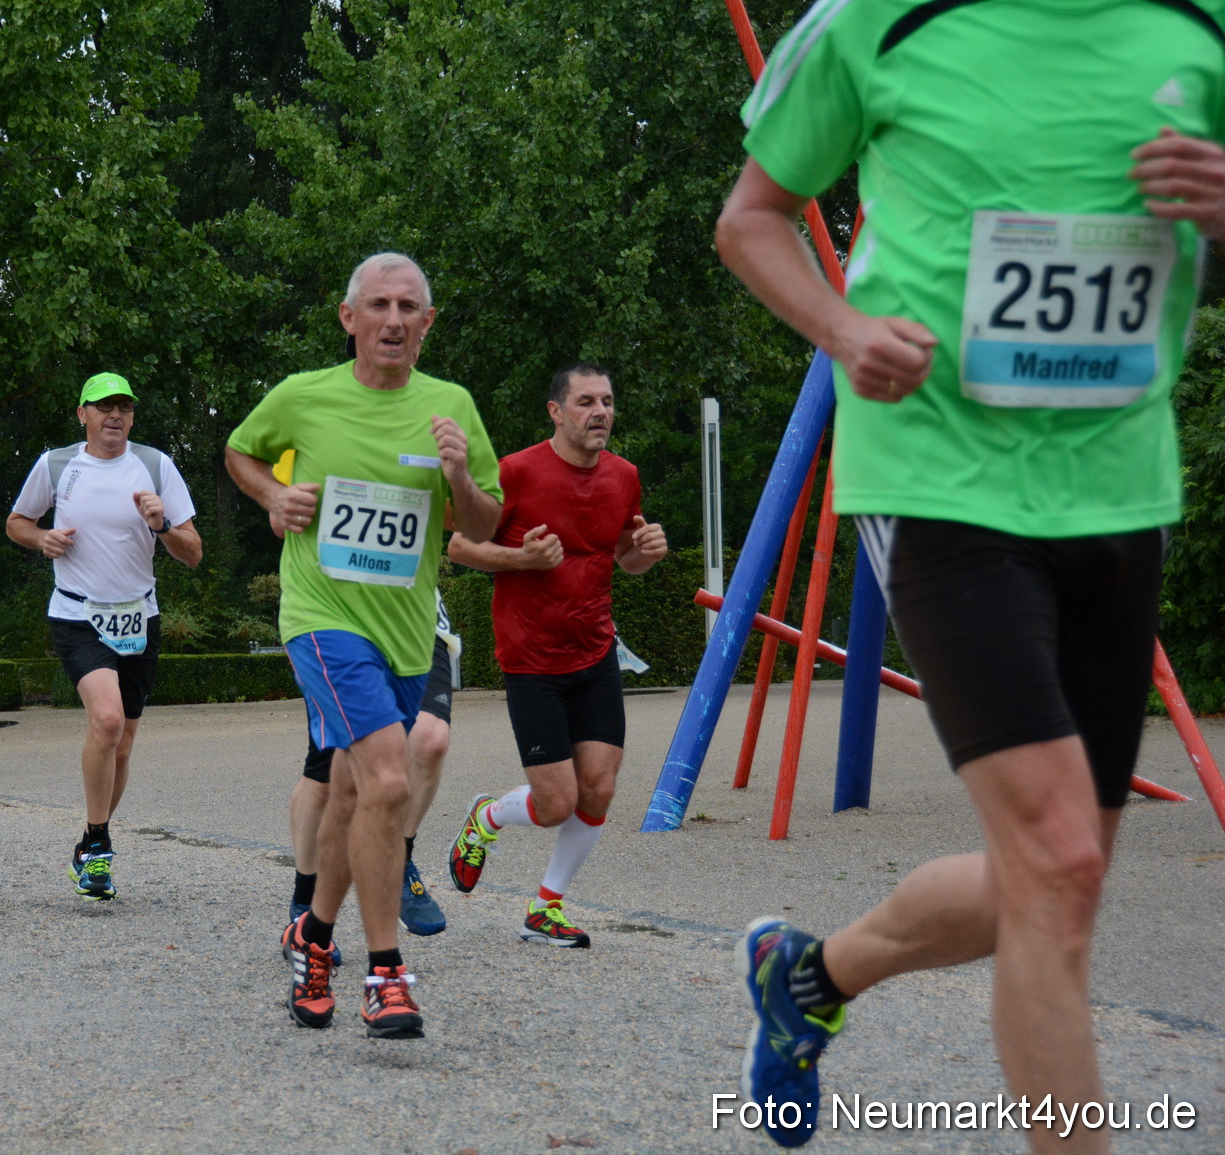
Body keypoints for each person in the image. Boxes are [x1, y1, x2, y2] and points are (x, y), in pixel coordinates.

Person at [712, 3, 1225, 1149]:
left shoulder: (1202, 22)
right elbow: (750, 220)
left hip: (1117, 494)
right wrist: (840, 328)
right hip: (936, 478)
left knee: (1051, 886)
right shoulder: (870, 22)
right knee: (1058, 856)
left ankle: (805, 979)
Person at [227, 251, 503, 1039]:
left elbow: (483, 525)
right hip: (320, 618)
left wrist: (458, 477)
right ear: (349, 318)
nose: (392, 319)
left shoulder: (451, 406)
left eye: (408, 306)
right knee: (388, 778)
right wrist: (275, 495)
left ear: (428, 322)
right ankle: (387, 975)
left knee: (353, 796)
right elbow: (240, 451)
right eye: (377, 305)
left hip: (407, 635)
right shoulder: (304, 396)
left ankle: (311, 939)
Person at [445, 364, 666, 948]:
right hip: (531, 661)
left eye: (608, 402)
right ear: (556, 411)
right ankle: (486, 818)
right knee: (555, 802)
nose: (600, 412)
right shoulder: (515, 471)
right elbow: (459, 544)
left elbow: (623, 557)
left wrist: (647, 551)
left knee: (598, 789)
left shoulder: (625, 477)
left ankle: (546, 907)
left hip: (595, 655)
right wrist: (522, 559)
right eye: (586, 401)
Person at [6, 372, 202, 900]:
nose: (114, 415)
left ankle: (89, 841)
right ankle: (98, 847)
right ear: (82, 414)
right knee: (108, 719)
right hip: (77, 614)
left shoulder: (157, 466)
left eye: (124, 407)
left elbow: (193, 551)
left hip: (140, 617)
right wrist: (41, 537)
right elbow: (17, 522)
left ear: (133, 416)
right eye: (103, 406)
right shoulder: (57, 465)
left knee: (123, 745)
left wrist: (162, 526)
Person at [286, 594, 459, 950]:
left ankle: (400, 861)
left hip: (416, 614)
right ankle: (305, 901)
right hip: (338, 614)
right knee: (327, 779)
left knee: (431, 740)